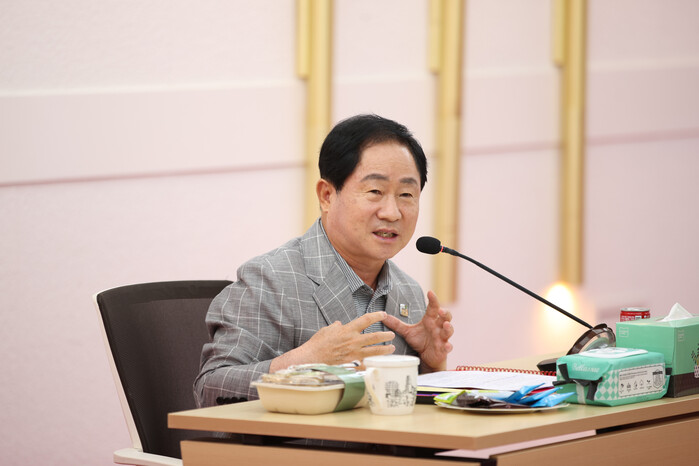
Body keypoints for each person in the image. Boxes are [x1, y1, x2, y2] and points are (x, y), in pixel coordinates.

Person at [194, 114, 454, 408]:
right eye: (375, 191)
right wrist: (305, 362)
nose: (392, 212)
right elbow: (211, 390)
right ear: (327, 195)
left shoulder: (409, 292)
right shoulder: (270, 279)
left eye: (406, 194)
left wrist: (431, 367)